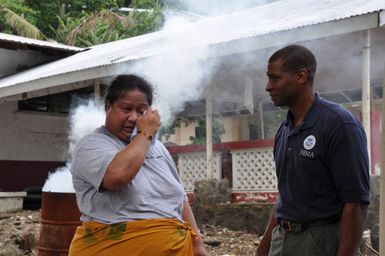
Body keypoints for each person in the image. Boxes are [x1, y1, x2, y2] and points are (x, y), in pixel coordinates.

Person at [68, 74, 207, 256]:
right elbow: (118, 177)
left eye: (141, 110)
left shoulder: (159, 149)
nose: (134, 118)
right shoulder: (91, 145)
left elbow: (180, 200)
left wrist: (198, 246)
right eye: (126, 109)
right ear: (108, 107)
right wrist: (146, 133)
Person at [256, 45, 370, 256]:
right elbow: (286, 195)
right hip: (282, 240)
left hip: (320, 241)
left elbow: (355, 202)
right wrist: (264, 248)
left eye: (275, 78)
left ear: (301, 76)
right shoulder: (285, 129)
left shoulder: (339, 125)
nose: (268, 87)